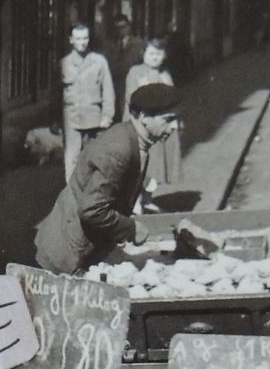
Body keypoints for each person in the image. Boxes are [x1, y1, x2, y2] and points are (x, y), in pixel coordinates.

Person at [34, 82, 180, 275]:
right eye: (168, 119)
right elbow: (92, 209)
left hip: (82, 244)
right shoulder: (120, 150)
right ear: (144, 117)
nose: (175, 126)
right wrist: (131, 228)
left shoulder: (132, 139)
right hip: (69, 253)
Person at [122, 37, 183, 189]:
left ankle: (148, 199)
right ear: (143, 54)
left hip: (160, 127)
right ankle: (136, 202)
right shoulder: (135, 72)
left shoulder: (165, 74)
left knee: (156, 166)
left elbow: (173, 99)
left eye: (159, 54)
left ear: (164, 56)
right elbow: (131, 98)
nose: (155, 57)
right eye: (151, 54)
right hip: (142, 125)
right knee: (142, 164)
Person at [60, 22, 117, 182]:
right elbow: (56, 94)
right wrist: (54, 120)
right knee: (72, 158)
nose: (82, 42)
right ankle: (72, 195)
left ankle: (92, 194)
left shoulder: (99, 61)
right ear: (71, 40)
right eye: (78, 38)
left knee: (94, 157)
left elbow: (108, 90)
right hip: (71, 118)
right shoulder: (64, 63)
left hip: (94, 117)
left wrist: (107, 116)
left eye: (85, 38)